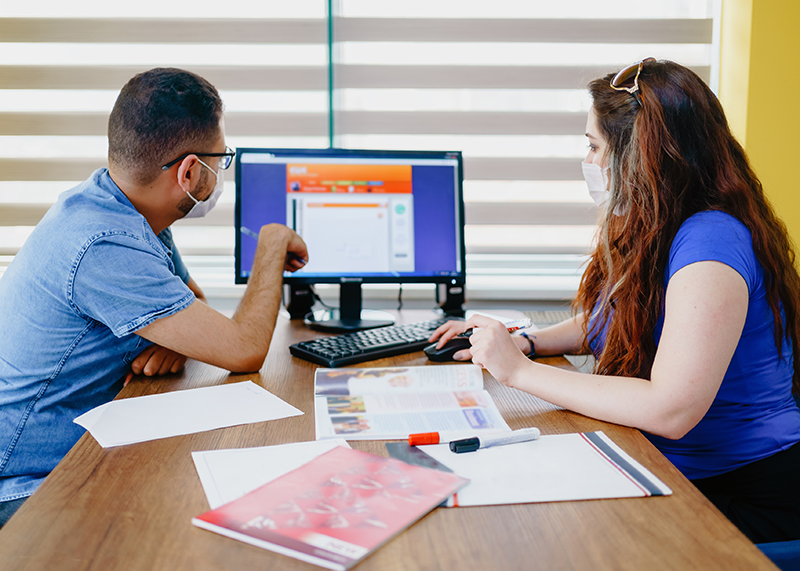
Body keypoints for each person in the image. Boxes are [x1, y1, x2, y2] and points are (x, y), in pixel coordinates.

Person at [431, 58, 800, 543]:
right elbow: (617, 318)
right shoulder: (663, 223)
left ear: (640, 156)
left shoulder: (711, 246)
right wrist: (527, 342)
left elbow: (671, 409)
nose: (589, 160)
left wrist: (517, 373)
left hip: (742, 494)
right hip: (671, 468)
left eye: (594, 145)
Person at [0, 68, 308, 526]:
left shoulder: (124, 205)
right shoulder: (104, 241)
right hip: (31, 482)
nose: (220, 173)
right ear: (189, 170)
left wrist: (168, 334)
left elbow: (192, 298)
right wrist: (271, 244)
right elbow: (243, 349)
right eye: (219, 160)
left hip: (87, 445)